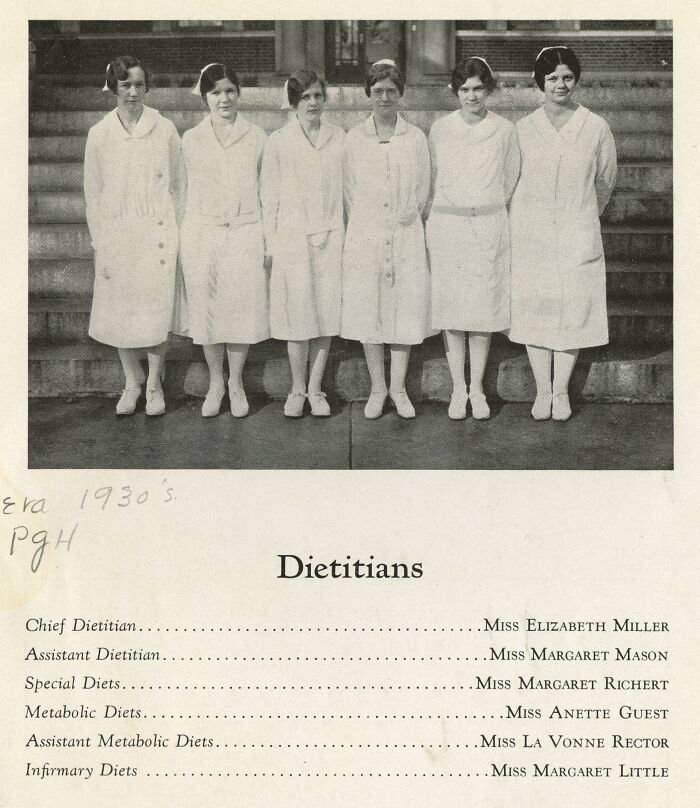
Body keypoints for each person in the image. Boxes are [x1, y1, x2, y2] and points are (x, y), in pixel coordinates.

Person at [508, 46, 617, 421]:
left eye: (567, 77)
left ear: (576, 79)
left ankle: (561, 392)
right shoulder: (524, 128)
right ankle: (542, 391)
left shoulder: (595, 126)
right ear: (540, 81)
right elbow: (512, 180)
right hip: (533, 233)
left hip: (576, 229)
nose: (560, 84)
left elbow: (605, 181)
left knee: (573, 310)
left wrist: (581, 216)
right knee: (536, 309)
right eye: (552, 77)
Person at [84, 55, 185, 416]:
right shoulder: (99, 134)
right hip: (117, 235)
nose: (133, 92)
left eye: (139, 84)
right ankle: (132, 381)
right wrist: (101, 242)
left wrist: (177, 231)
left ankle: (155, 383)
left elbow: (178, 185)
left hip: (156, 231)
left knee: (155, 312)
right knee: (121, 312)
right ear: (113, 87)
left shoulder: (165, 128)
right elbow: (92, 192)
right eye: (125, 84)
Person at [426, 57, 520, 420]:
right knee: (452, 309)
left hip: (486, 224)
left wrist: (485, 204)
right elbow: (434, 175)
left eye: (478, 88)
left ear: (489, 89)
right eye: (463, 89)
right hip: (449, 225)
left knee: (481, 308)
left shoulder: (504, 130)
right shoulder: (440, 129)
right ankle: (457, 388)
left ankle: (477, 388)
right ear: (455, 91)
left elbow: (510, 179)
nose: (471, 95)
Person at [340, 59, 433, 419]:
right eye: (377, 91)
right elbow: (349, 192)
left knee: (403, 310)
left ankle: (398, 387)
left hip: (405, 232)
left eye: (391, 91)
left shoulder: (415, 138)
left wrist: (402, 218)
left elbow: (423, 190)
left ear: (401, 94)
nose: (384, 97)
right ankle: (378, 388)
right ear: (368, 94)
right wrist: (370, 223)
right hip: (367, 235)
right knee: (370, 311)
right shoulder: (354, 139)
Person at [180, 63, 268, 418]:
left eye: (230, 90)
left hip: (245, 230)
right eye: (215, 92)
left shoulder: (256, 136)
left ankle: (236, 383)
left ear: (240, 94)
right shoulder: (191, 139)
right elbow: (183, 190)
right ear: (205, 97)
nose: (224, 98)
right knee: (207, 309)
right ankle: (216, 382)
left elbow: (266, 190)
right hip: (202, 232)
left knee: (240, 308)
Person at [261, 69, 344, 418]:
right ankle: (296, 388)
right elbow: (269, 195)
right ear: (294, 101)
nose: (313, 103)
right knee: (297, 312)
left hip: (330, 234)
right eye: (306, 97)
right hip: (292, 236)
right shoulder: (278, 141)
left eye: (318, 96)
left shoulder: (339, 137)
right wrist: (270, 242)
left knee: (325, 311)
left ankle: (315, 388)